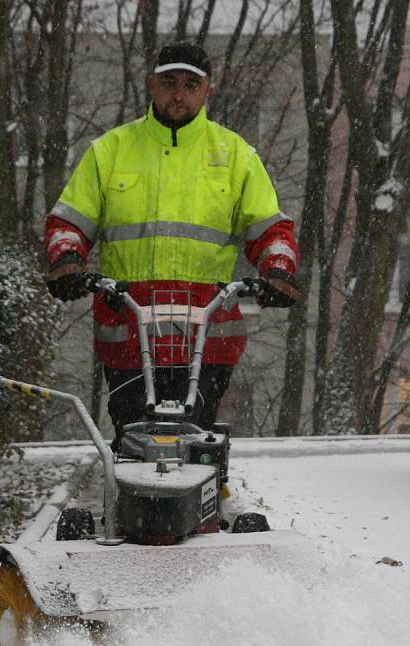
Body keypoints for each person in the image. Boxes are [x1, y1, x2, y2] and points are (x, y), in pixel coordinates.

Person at [45, 41, 299, 445]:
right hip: (128, 326)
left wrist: (278, 269)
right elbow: (69, 222)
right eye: (169, 83)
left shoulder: (236, 157)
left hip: (207, 331)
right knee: (133, 436)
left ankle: (202, 502)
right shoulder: (110, 152)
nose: (179, 94)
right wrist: (67, 260)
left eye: (190, 84)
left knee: (196, 438)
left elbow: (269, 229)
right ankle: (128, 504)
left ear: (208, 91)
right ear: (151, 85)